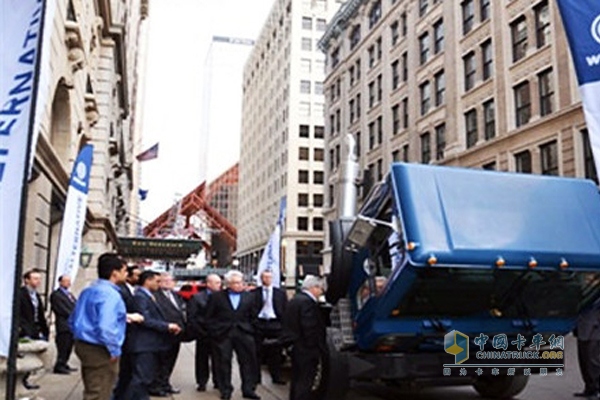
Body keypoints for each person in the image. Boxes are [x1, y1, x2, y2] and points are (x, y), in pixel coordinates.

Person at [69, 253, 129, 400]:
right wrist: (114, 349)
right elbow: (105, 326)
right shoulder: (110, 295)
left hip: (85, 344)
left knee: (93, 387)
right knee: (100, 391)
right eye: (124, 271)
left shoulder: (88, 290)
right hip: (100, 348)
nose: (126, 274)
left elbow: (72, 320)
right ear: (115, 273)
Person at [124, 270, 182, 399]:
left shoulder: (149, 295)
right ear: (147, 281)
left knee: (145, 377)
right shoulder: (140, 296)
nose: (159, 284)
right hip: (143, 344)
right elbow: (144, 319)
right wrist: (167, 326)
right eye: (157, 281)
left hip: (151, 343)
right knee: (141, 378)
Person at [206, 270, 260, 400]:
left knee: (247, 362)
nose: (239, 285)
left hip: (244, 333)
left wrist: (251, 329)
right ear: (228, 284)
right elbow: (209, 317)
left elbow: (254, 315)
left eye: (240, 282)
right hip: (224, 334)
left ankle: (248, 389)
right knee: (223, 362)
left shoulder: (250, 297)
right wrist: (215, 331)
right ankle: (225, 389)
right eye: (235, 283)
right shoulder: (217, 297)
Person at [281, 275, 327, 400]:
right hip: (306, 349)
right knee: (305, 381)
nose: (321, 292)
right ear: (314, 287)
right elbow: (309, 326)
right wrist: (315, 347)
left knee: (297, 379)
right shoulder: (308, 303)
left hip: (296, 347)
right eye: (321, 288)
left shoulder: (295, 300)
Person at [152, 272, 186, 395]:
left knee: (170, 361)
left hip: (176, 336)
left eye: (170, 280)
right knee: (161, 362)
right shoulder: (155, 296)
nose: (167, 282)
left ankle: (165, 384)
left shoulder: (175, 295)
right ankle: (157, 386)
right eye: (164, 280)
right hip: (164, 334)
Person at [188, 273, 222, 392]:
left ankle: (218, 381)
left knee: (219, 359)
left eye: (220, 283)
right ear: (208, 284)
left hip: (219, 334)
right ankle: (202, 382)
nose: (219, 285)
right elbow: (192, 317)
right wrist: (201, 332)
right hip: (203, 334)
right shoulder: (197, 298)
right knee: (202, 359)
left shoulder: (222, 297)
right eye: (216, 283)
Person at [252, 270, 287, 385]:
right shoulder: (254, 293)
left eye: (269, 277)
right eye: (265, 277)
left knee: (276, 353)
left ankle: (276, 377)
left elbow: (284, 308)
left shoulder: (280, 293)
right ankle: (256, 378)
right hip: (260, 323)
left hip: (275, 324)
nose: (267, 279)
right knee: (257, 352)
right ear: (261, 279)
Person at [113, 264, 141, 400]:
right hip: (123, 335)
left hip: (130, 336)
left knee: (127, 371)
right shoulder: (120, 291)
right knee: (123, 371)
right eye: (136, 275)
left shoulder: (133, 290)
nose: (139, 278)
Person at [19, 268, 50, 390]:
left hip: (36, 329)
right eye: (35, 278)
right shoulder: (20, 294)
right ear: (27, 280)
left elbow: (40, 314)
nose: (38, 281)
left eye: (39, 279)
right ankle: (22, 381)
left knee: (33, 356)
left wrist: (45, 330)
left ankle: (25, 380)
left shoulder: (36, 295)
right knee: (25, 356)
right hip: (25, 330)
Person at [574, 274, 600, 398]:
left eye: (591, 278)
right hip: (583, 328)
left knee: (593, 360)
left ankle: (596, 389)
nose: (588, 280)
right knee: (584, 360)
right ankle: (589, 388)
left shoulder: (595, 294)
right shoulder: (587, 292)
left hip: (594, 329)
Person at [50, 275, 77, 374]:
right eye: (66, 281)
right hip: (63, 325)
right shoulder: (56, 295)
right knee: (63, 345)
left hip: (71, 326)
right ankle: (59, 365)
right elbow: (61, 309)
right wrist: (73, 315)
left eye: (69, 281)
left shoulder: (69, 294)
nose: (68, 283)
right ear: (60, 282)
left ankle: (65, 363)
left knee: (69, 346)